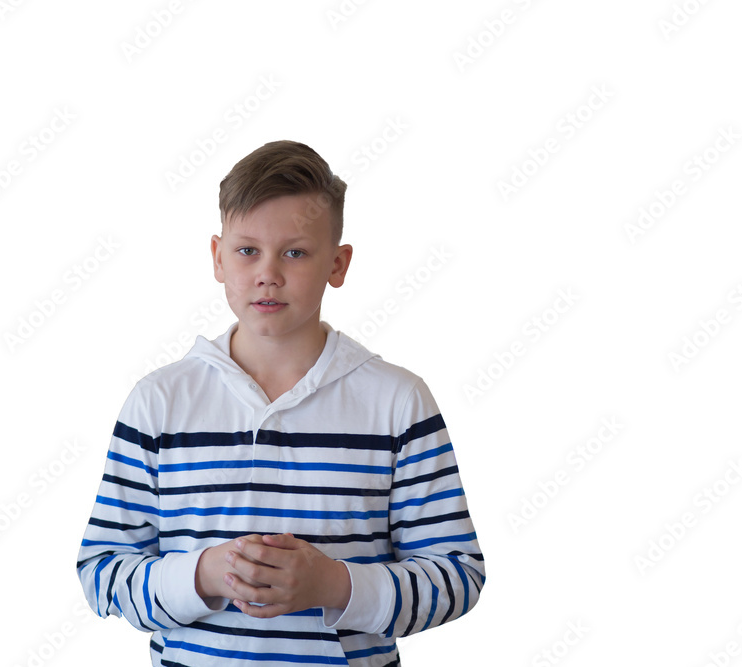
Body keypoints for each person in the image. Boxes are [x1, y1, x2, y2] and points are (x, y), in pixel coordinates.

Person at [75, 140, 486, 666]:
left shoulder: (398, 402)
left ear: (338, 263)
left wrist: (334, 584)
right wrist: (204, 574)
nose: (268, 272)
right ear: (217, 257)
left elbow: (457, 575)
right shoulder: (158, 403)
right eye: (248, 250)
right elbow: (103, 572)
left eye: (295, 252)